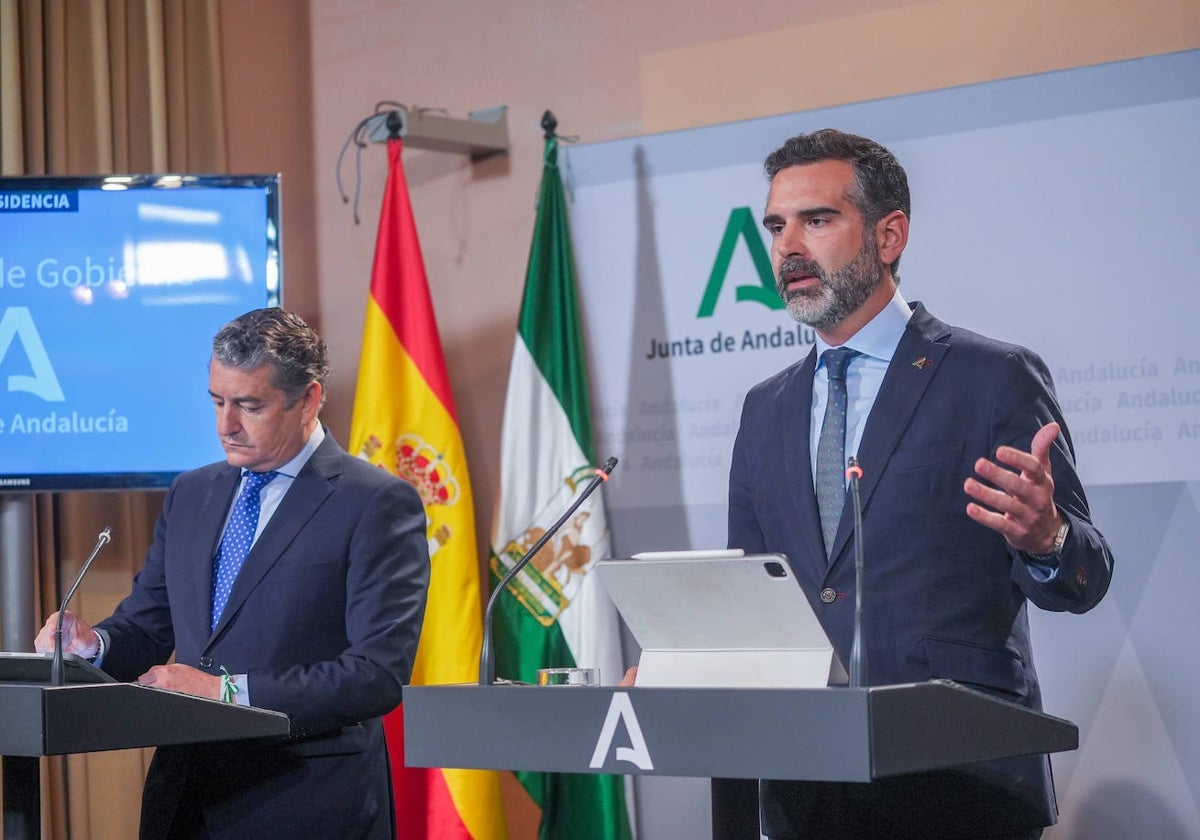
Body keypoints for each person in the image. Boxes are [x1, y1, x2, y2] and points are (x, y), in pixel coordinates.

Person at [727, 130, 1115, 839]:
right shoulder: (766, 408)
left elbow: (1084, 580)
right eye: (777, 226)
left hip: (960, 781)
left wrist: (1048, 536)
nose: (788, 247)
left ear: (889, 234)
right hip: (807, 784)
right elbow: (752, 592)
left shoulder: (989, 377)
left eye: (817, 220)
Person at [35, 308, 430, 840]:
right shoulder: (192, 492)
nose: (226, 425)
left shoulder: (376, 503)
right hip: (187, 800)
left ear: (309, 400)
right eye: (218, 402)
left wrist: (224, 692)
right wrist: (94, 644)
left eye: (249, 405)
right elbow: (147, 628)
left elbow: (376, 675)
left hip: (307, 801)